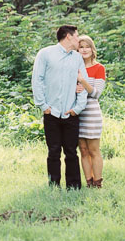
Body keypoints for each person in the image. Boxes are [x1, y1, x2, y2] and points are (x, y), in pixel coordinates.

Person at [32, 25, 88, 189]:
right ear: (68, 37)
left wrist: (78, 108)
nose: (79, 39)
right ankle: (54, 185)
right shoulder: (46, 54)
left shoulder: (77, 58)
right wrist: (43, 106)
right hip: (52, 112)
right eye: (77, 36)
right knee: (54, 151)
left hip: (71, 113)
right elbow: (37, 80)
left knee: (71, 152)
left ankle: (74, 187)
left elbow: (82, 83)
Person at [75, 35, 106, 188]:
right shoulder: (74, 68)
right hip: (78, 114)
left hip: (92, 113)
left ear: (92, 49)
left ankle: (97, 183)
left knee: (93, 149)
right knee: (83, 150)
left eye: (87, 46)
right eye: (81, 47)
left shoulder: (99, 68)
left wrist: (82, 81)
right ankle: (88, 182)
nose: (84, 49)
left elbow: (96, 93)